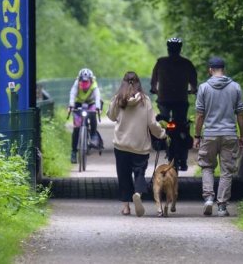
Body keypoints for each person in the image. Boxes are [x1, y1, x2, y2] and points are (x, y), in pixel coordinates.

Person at [107, 71, 166, 217]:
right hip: (140, 146)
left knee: (123, 175)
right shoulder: (145, 101)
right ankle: (138, 194)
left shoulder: (118, 99)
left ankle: (126, 207)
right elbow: (152, 124)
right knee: (139, 173)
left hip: (121, 145)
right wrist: (162, 134)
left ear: (123, 83)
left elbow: (111, 116)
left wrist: (116, 105)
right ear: (138, 83)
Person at [194, 56, 243, 217]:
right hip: (229, 134)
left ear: (210, 70)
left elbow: (200, 115)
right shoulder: (235, 87)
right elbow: (240, 115)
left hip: (209, 134)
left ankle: (209, 197)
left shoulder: (203, 88)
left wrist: (197, 135)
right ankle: (222, 206)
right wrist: (242, 135)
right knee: (226, 171)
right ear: (224, 70)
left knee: (207, 166)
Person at [150, 37, 197, 170]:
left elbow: (154, 80)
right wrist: (193, 90)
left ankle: (159, 141)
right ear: (180, 49)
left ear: (168, 49)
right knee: (182, 125)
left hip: (164, 99)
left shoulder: (161, 62)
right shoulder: (186, 63)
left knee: (163, 120)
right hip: (181, 100)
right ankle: (183, 154)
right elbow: (193, 81)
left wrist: (154, 89)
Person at [68, 68, 101, 164]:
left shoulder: (94, 85)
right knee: (76, 128)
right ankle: (74, 152)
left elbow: (97, 96)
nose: (84, 83)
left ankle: (93, 134)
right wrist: (71, 105)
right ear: (79, 80)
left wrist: (98, 107)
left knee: (93, 114)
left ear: (91, 80)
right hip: (78, 103)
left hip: (91, 103)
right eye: (83, 81)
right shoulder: (76, 84)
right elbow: (72, 93)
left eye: (87, 81)